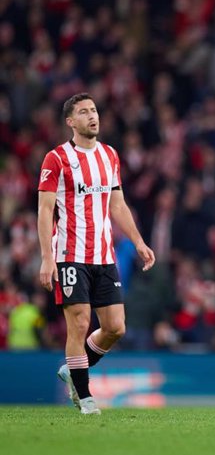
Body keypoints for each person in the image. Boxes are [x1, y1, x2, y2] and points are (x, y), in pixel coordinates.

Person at [37, 93, 155, 414]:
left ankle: (73, 369)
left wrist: (139, 242)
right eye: (84, 112)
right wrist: (47, 257)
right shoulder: (57, 159)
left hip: (104, 255)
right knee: (79, 323)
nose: (93, 116)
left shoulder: (110, 156)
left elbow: (117, 204)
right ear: (70, 122)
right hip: (70, 254)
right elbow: (45, 211)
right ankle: (85, 396)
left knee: (116, 327)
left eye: (94, 110)